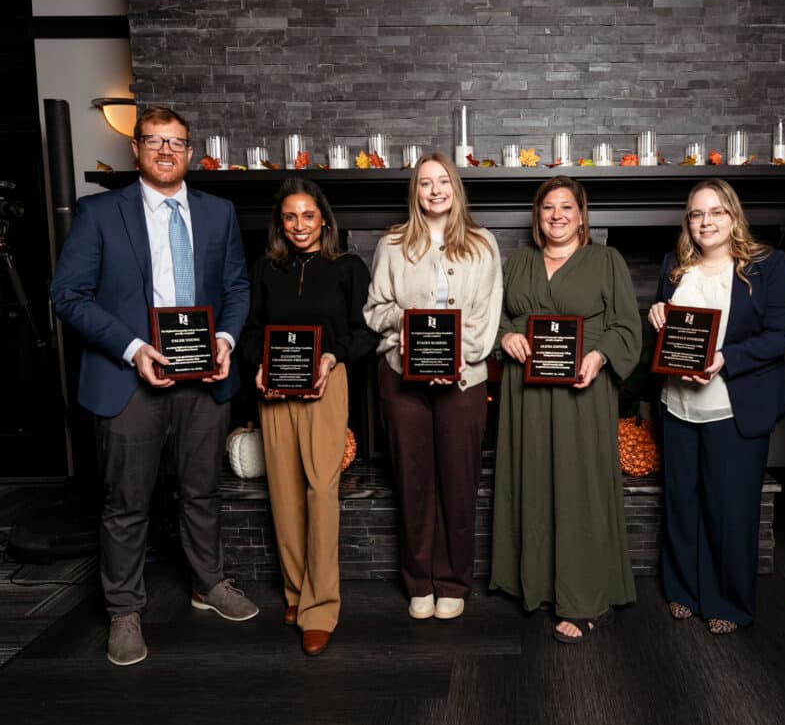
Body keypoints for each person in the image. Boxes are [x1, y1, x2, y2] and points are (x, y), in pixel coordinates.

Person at [50, 105, 258, 667]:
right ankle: (124, 609)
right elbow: (68, 295)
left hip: (204, 375)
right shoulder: (99, 213)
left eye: (176, 142)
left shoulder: (218, 212)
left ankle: (208, 583)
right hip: (129, 378)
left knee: (202, 490)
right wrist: (132, 348)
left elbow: (237, 287)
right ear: (136, 149)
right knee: (127, 501)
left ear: (190, 151)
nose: (166, 151)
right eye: (154, 141)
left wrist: (226, 341)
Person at [490, 175, 642, 643]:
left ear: (581, 216)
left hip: (583, 388)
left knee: (580, 489)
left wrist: (600, 357)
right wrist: (505, 337)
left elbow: (626, 325)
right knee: (532, 480)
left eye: (566, 207)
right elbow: (496, 317)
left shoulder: (606, 260)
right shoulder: (519, 262)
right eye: (547, 208)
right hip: (525, 391)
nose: (556, 215)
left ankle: (585, 599)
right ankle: (535, 584)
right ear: (537, 217)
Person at [648, 179, 785, 634]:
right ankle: (683, 590)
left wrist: (725, 358)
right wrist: (657, 313)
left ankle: (727, 602)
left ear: (733, 216)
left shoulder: (766, 265)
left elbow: (784, 335)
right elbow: (671, 328)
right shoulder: (674, 265)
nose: (706, 222)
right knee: (682, 503)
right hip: (677, 406)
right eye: (696, 214)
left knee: (730, 509)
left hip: (734, 407)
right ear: (688, 222)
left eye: (716, 212)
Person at [240, 178, 377, 656]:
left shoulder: (348, 268)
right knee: (283, 491)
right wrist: (258, 364)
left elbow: (366, 332)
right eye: (290, 216)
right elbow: (252, 329)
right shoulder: (265, 269)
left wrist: (332, 356)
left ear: (324, 220)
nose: (300, 225)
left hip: (325, 382)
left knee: (320, 489)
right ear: (280, 223)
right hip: (274, 388)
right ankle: (296, 592)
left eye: (308, 215)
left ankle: (320, 607)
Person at [363, 152, 502, 621]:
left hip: (464, 378)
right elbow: (374, 310)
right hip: (401, 375)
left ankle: (453, 581)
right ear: (416, 192)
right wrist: (408, 328)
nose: (435, 190)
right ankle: (419, 580)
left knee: (459, 482)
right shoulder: (392, 244)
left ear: (456, 189)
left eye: (443, 181)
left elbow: (487, 316)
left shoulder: (483, 244)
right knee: (413, 481)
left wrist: (453, 357)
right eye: (426, 183)